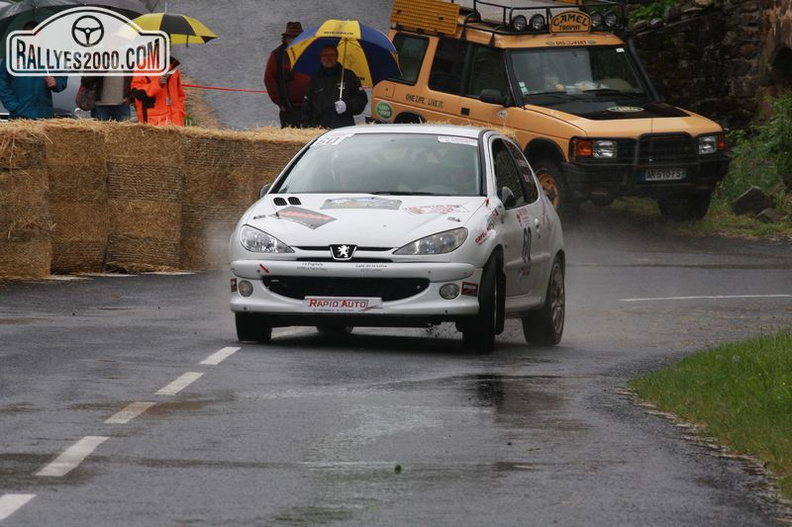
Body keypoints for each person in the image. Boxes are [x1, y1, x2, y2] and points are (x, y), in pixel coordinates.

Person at [0, 20, 68, 119]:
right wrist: (13, 106)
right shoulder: (12, 57)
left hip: (44, 114)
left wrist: (56, 82)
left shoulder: (50, 57)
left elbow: (62, 77)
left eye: (36, 35)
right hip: (19, 116)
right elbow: (2, 84)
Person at [301, 44, 367, 129]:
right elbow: (306, 107)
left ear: (337, 56)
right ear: (320, 58)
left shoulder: (348, 76)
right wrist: (305, 127)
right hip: (319, 130)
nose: (328, 58)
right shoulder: (314, 80)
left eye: (332, 55)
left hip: (343, 128)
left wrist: (347, 106)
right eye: (325, 55)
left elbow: (361, 100)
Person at [264, 21, 311, 128]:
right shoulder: (277, 55)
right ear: (286, 38)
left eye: (298, 37)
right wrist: (280, 103)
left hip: (310, 107)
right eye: (293, 37)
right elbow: (269, 79)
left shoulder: (310, 52)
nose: (295, 40)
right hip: (289, 108)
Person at [130, 55, 185, 126]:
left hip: (176, 123)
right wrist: (158, 83)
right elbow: (137, 92)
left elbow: (180, 95)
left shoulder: (173, 67)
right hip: (154, 124)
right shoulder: (142, 66)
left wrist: (180, 112)